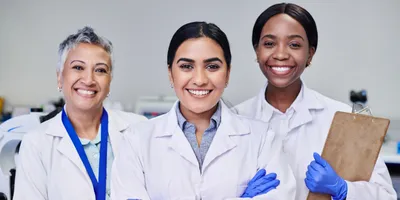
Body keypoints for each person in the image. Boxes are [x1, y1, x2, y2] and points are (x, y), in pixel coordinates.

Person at [111, 21, 296, 200]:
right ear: (170, 74)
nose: (199, 79)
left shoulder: (262, 138)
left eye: (212, 66)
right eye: (186, 66)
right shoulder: (137, 140)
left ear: (228, 73)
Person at [234, 3, 396, 200]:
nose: (281, 54)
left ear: (310, 54)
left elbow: (386, 195)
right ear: (257, 51)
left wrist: (344, 189)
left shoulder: (345, 120)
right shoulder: (233, 120)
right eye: (269, 44)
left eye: (294, 45)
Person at [13, 26, 147, 200]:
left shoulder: (140, 129)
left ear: (109, 81)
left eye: (100, 70)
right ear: (60, 77)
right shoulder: (36, 144)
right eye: (78, 67)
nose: (89, 80)